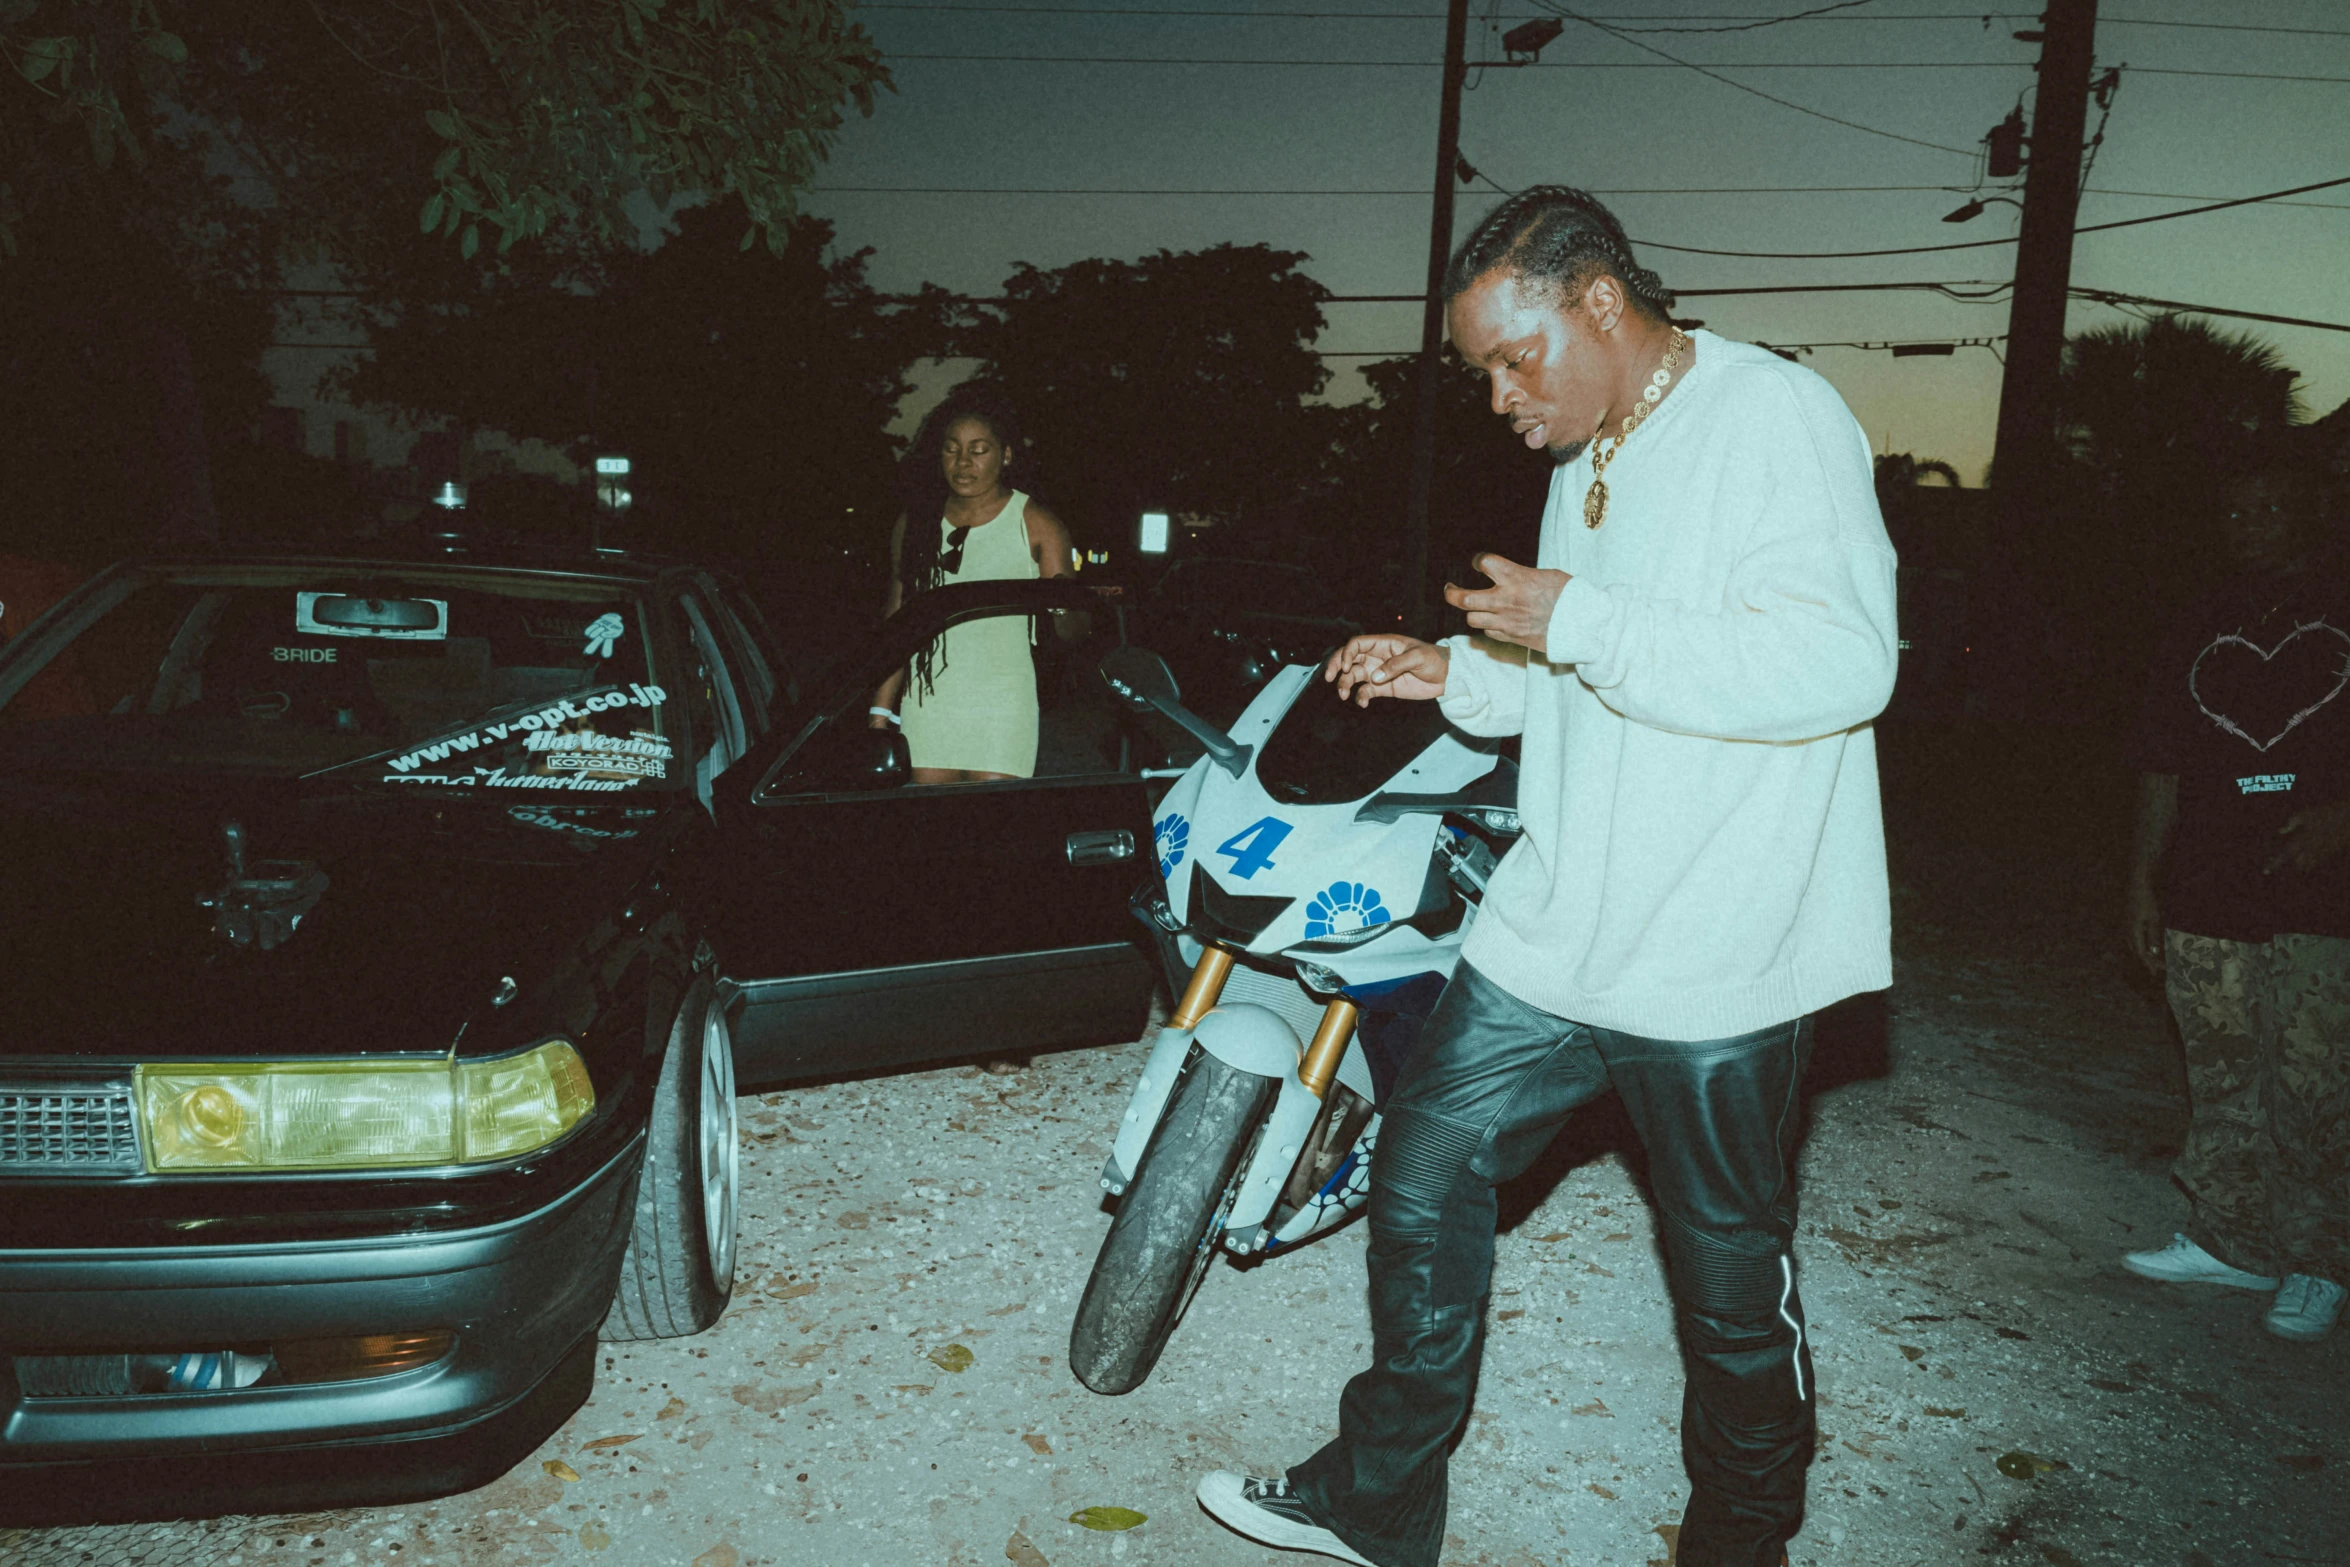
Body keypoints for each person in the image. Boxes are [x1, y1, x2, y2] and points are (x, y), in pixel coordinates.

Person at [1192, 187, 1898, 1567]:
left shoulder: (1774, 417)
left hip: (1715, 945)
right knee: (1417, 1171)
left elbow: (1840, 662)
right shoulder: (1581, 451)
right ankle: (1381, 1500)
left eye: (1516, 360)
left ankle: (1739, 1538)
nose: (1505, 400)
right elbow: (1578, 672)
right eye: (1484, 376)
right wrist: (1456, 673)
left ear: (1598, 302)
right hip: (1555, 924)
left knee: (1726, 1286)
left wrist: (1578, 619)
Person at [2122, 450, 2350, 1342]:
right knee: (2221, 1069)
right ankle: (2232, 1239)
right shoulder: (2200, 618)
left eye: (2270, 508)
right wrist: (2141, 880)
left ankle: (2320, 1259)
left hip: (2322, 897)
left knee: (2315, 1082)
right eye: (2235, 512)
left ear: (2311, 510)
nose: (2251, 526)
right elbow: (2161, 762)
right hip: (2207, 885)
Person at [868, 392, 1080, 784]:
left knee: (991, 827)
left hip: (1003, 700)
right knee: (929, 831)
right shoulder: (916, 523)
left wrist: (1064, 604)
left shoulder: (1034, 521)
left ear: (1006, 456)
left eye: (979, 450)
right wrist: (879, 715)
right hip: (928, 702)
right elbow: (895, 625)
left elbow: (1071, 630)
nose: (963, 462)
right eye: (951, 450)